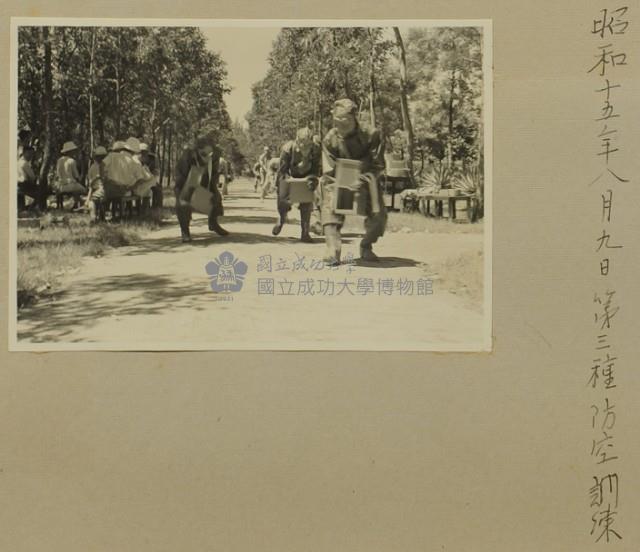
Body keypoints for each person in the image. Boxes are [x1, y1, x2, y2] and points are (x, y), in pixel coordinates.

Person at [320, 98, 387, 264]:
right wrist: (339, 182)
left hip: (367, 179)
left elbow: (378, 165)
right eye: (337, 121)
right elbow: (328, 171)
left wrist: (363, 178)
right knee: (329, 204)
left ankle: (366, 246)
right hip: (340, 180)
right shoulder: (330, 139)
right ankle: (332, 248)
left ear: (354, 118)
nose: (341, 125)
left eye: (345, 120)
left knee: (378, 215)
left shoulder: (371, 134)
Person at [174, 135, 229, 243]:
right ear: (196, 151)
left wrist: (213, 193)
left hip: (202, 182)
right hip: (185, 184)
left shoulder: (214, 157)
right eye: (204, 154)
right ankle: (185, 231)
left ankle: (213, 223)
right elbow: (181, 183)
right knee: (183, 204)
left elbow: (213, 177)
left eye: (210, 154)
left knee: (216, 198)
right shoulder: (186, 158)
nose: (208, 157)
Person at [271, 127, 321, 243]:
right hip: (289, 176)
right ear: (297, 141)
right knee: (283, 201)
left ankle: (305, 233)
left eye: (307, 145)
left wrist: (312, 179)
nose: (304, 147)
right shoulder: (288, 148)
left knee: (306, 203)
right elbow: (282, 171)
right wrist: (289, 181)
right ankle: (282, 219)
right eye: (302, 144)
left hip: (307, 176)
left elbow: (315, 169)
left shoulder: (316, 149)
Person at [54, 141, 85, 210]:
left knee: (76, 187)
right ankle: (77, 203)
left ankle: (60, 206)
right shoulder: (72, 161)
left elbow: (57, 173)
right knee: (82, 189)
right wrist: (79, 180)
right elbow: (76, 175)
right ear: (70, 151)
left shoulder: (59, 160)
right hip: (70, 184)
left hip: (61, 185)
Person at [85, 146, 108, 222]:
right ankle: (98, 216)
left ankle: (94, 216)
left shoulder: (97, 167)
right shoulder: (102, 166)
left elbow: (91, 183)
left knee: (93, 201)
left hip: (100, 189)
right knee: (95, 200)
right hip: (100, 189)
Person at [17, 145, 39, 212]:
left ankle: (26, 209)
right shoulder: (25, 163)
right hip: (24, 185)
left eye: (32, 154)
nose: (31, 156)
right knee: (41, 192)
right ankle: (30, 210)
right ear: (24, 153)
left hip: (18, 185)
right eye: (29, 153)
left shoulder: (18, 162)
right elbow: (32, 177)